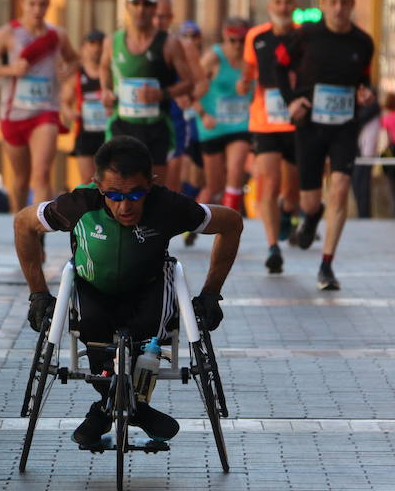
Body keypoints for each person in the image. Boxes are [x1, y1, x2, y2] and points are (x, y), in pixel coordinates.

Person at [13, 136, 242, 447]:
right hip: (93, 288)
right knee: (94, 330)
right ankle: (133, 408)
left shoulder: (169, 205)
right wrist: (38, 294)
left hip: (149, 288)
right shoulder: (78, 204)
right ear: (97, 185)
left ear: (150, 183)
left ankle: (106, 410)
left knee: (148, 331)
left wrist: (211, 293)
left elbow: (231, 223)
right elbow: (23, 223)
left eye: (135, 194)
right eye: (113, 195)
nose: (124, 206)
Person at [275, 0, 375, 291]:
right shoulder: (305, 36)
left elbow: (364, 80)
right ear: (323, 4)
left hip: (345, 125)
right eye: (332, 2)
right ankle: (312, 216)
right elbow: (278, 66)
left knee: (342, 188)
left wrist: (365, 93)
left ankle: (327, 264)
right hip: (310, 125)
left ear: (353, 3)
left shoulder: (363, 42)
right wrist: (292, 100)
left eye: (344, 2)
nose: (339, 8)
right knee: (310, 199)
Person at [0, 0, 79, 212]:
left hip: (46, 112)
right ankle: (21, 226)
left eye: (42, 5)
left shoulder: (57, 35)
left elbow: (75, 58)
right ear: (22, 3)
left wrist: (67, 69)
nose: (37, 10)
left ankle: (39, 233)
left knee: (41, 174)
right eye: (32, 4)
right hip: (15, 114)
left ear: (48, 5)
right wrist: (10, 70)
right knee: (21, 179)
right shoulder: (8, 34)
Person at [99, 0, 193, 182]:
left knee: (154, 188)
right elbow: (105, 67)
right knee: (117, 183)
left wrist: (162, 94)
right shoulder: (112, 42)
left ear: (154, 8)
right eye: (136, 3)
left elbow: (189, 82)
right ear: (127, 6)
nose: (141, 9)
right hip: (122, 123)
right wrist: (105, 91)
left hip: (156, 125)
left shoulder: (169, 43)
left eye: (147, 4)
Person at [237, 0, 301, 274]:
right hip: (265, 121)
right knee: (269, 182)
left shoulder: (303, 36)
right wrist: (244, 82)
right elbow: (249, 69)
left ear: (295, 5)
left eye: (288, 2)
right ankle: (273, 247)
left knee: (292, 190)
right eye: (278, 1)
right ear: (269, 6)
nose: (283, 7)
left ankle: (289, 211)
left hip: (297, 120)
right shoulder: (256, 36)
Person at [195, 17, 252, 212]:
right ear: (224, 37)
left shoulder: (252, 59)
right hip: (213, 127)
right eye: (232, 40)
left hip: (240, 125)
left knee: (236, 174)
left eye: (242, 41)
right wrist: (202, 114)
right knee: (214, 186)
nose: (237, 46)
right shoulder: (213, 58)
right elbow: (191, 90)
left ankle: (230, 225)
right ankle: (189, 225)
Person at [153, 0, 207, 193]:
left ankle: (172, 221)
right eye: (156, 16)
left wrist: (187, 98)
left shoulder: (183, 46)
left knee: (172, 178)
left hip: (174, 117)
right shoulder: (132, 43)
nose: (158, 21)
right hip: (139, 119)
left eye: (164, 17)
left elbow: (201, 83)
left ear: (171, 18)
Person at [61, 30, 106, 184]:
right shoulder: (77, 76)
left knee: (108, 179)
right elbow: (65, 103)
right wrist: (71, 113)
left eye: (100, 44)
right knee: (88, 180)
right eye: (92, 43)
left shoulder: (110, 73)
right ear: (83, 48)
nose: (96, 48)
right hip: (85, 133)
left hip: (108, 132)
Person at [351, 100, 381, 219]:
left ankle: (364, 213)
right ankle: (362, 212)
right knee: (358, 183)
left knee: (362, 184)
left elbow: (360, 119)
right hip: (362, 152)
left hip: (366, 154)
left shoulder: (373, 109)